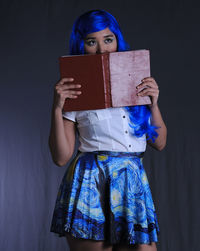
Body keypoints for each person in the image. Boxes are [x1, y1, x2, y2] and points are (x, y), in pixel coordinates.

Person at [49, 9, 167, 251]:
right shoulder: (76, 91)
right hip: (90, 179)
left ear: (117, 41)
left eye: (108, 40)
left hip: (130, 179)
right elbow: (61, 157)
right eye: (91, 42)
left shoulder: (136, 83)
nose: (102, 50)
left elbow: (160, 142)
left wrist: (154, 104)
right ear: (81, 45)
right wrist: (57, 107)